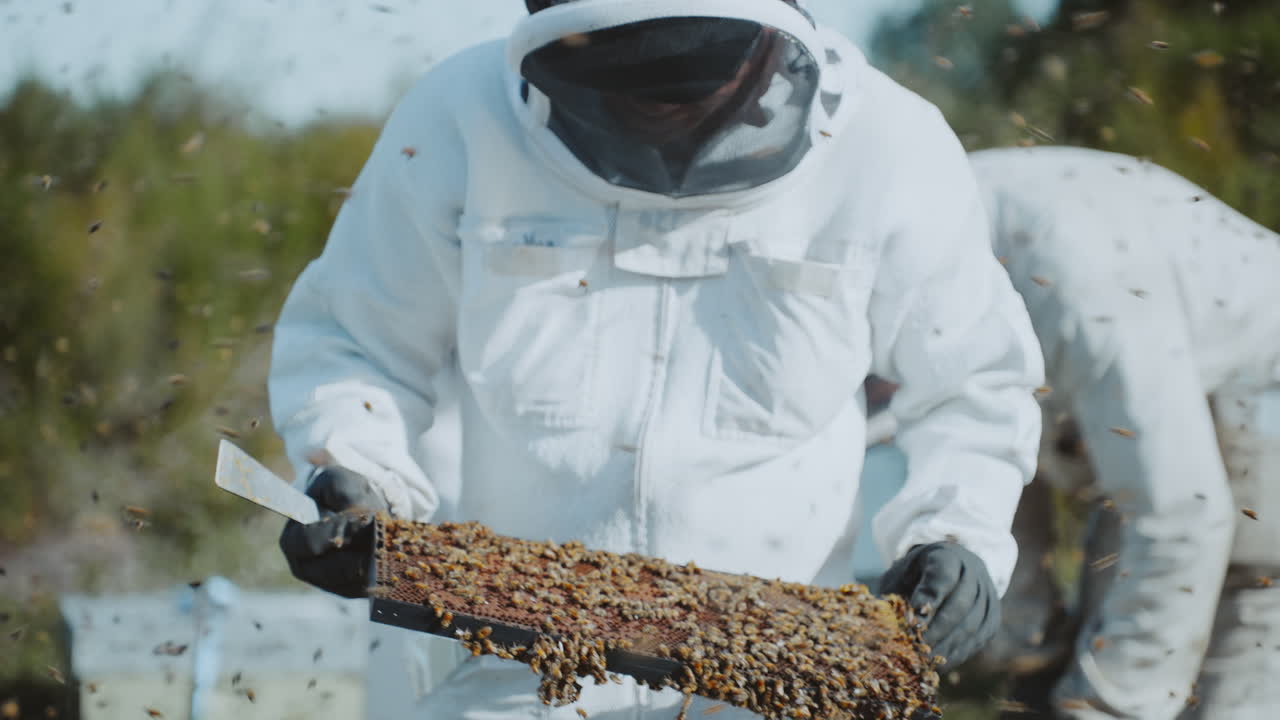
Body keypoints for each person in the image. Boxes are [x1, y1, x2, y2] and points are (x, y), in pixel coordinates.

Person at [267, 0, 1045, 716]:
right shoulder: (459, 118)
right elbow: (358, 337)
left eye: (689, 82)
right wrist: (353, 469)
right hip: (522, 667)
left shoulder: (889, 146)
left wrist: (957, 536)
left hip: (785, 671)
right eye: (635, 86)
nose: (663, 113)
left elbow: (973, 383)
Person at [870, 146, 1280, 719]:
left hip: (1257, 390)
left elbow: (1182, 511)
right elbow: (994, 456)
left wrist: (1102, 706)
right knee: (1113, 614)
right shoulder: (935, 260)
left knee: (1232, 631)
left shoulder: (1070, 278)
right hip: (1173, 391)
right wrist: (1026, 647)